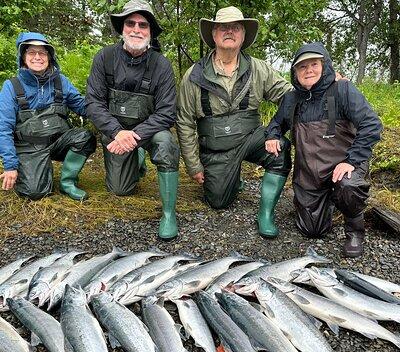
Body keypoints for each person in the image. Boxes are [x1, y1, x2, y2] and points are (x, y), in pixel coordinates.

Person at [176, 6, 292, 238]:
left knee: (281, 149)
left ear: (243, 35)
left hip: (251, 138)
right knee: (218, 201)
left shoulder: (259, 68)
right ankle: (230, 176)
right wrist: (193, 165)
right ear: (213, 34)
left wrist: (275, 129)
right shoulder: (194, 74)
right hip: (215, 147)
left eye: (235, 27)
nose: (229, 31)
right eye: (223, 27)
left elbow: (289, 96)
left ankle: (266, 214)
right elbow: (185, 121)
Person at [265, 42, 382, 257]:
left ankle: (355, 230)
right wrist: (272, 136)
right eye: (302, 66)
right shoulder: (291, 99)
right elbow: (275, 123)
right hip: (310, 174)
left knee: (348, 186)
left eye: (314, 64)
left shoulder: (343, 89)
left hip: (344, 165)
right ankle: (327, 201)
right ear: (295, 72)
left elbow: (372, 125)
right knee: (311, 231)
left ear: (325, 65)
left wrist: (352, 161)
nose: (308, 70)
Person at [86, 0, 180, 240]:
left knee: (167, 143)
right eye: (130, 23)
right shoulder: (104, 58)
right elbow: (94, 103)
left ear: (150, 32)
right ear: (122, 28)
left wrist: (134, 136)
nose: (136, 29)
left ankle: (169, 213)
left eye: (143, 25)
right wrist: (118, 132)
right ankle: (135, 161)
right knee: (120, 190)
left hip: (148, 134)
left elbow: (167, 112)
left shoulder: (162, 65)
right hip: (116, 132)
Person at [0, 32, 96, 201]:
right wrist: (10, 165)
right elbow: (3, 128)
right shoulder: (11, 86)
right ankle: (36, 171)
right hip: (28, 147)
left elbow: (83, 107)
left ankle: (68, 183)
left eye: (42, 52)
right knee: (35, 193)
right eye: (31, 52)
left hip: (57, 142)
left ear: (49, 57)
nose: (37, 57)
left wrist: (105, 110)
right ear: (22, 57)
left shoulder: (61, 81)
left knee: (84, 137)